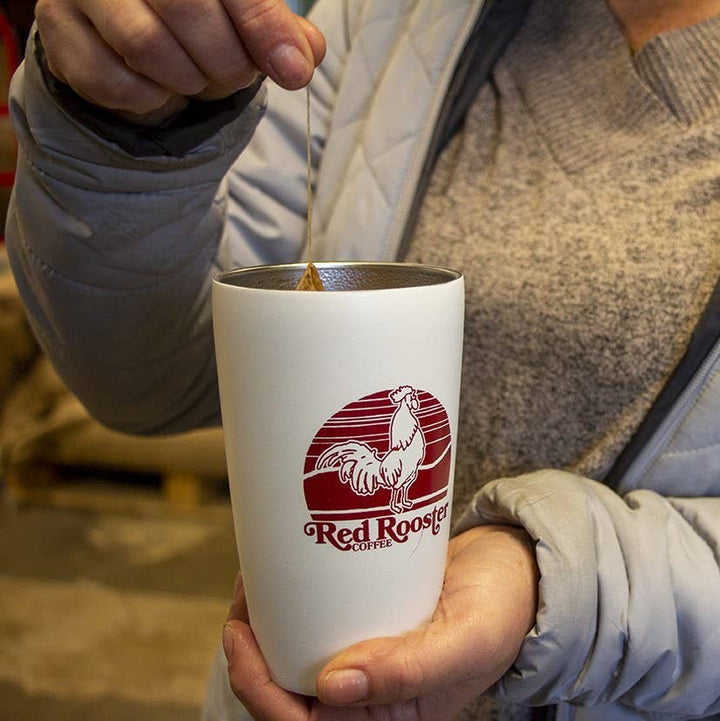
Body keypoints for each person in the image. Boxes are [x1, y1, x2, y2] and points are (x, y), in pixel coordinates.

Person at [5, 0, 720, 718]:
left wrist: (559, 588)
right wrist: (120, 142)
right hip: (299, 689)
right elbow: (154, 377)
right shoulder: (387, 16)